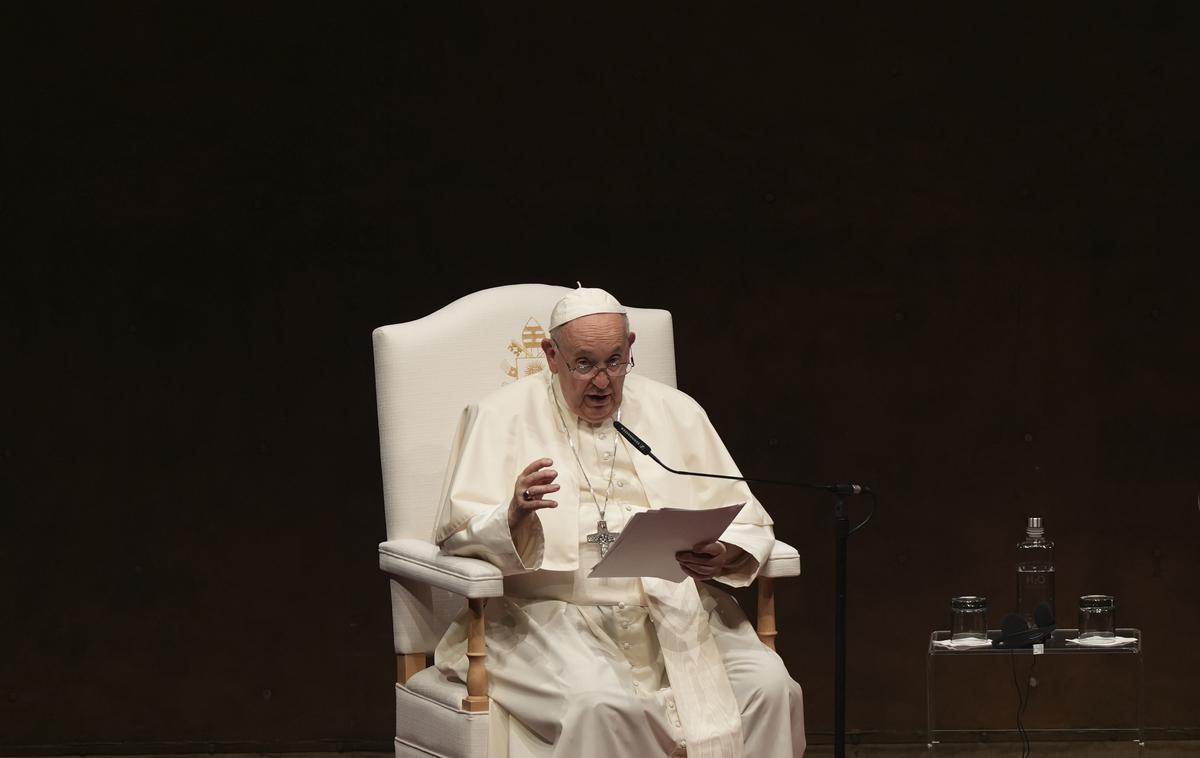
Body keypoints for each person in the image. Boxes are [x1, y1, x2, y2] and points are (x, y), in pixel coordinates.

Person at [432, 286, 805, 758]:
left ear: (630, 349)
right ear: (551, 355)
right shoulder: (500, 415)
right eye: (583, 363)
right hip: (548, 615)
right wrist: (512, 516)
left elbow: (744, 516)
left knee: (772, 689)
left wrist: (724, 550)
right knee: (601, 705)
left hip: (674, 606)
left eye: (614, 361)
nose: (603, 382)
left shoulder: (676, 410)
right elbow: (458, 534)